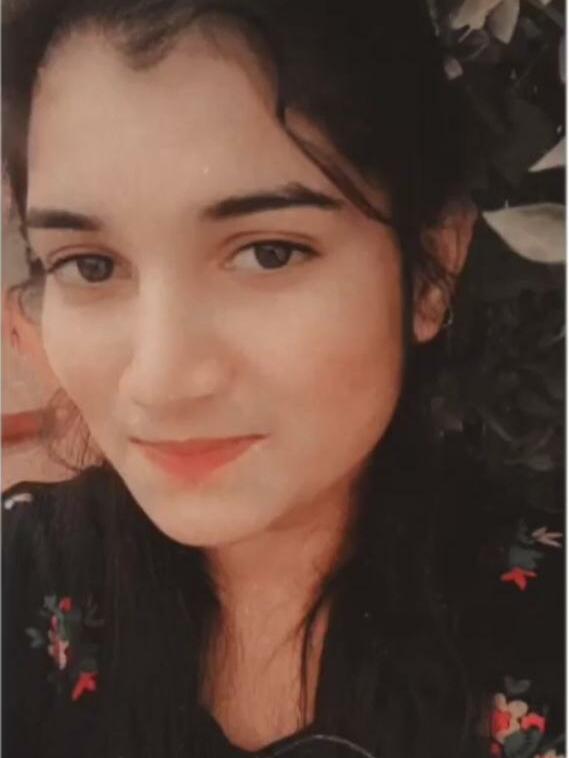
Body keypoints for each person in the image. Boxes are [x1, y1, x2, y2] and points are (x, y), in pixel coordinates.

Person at [2, 2, 563, 757]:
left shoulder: (546, 628)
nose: (161, 381)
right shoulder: (18, 584)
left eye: (269, 252)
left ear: (431, 270)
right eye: (89, 265)